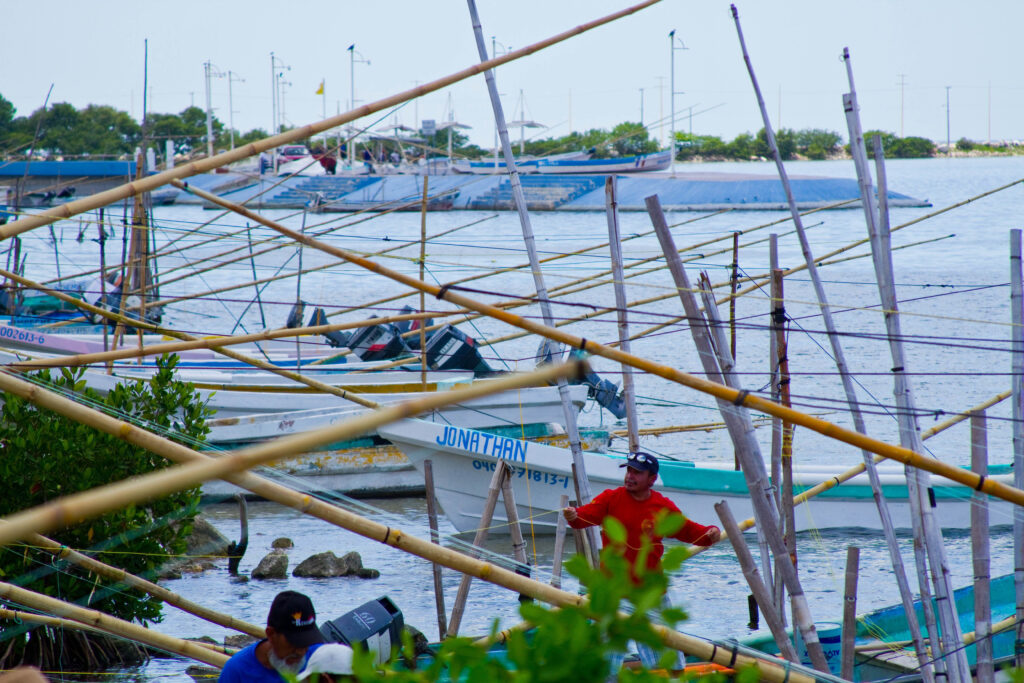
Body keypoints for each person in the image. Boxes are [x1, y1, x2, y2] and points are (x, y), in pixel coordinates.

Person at [563, 451, 720, 671]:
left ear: (652, 479)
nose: (630, 476)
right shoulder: (611, 498)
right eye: (629, 470)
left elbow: (688, 531)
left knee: (667, 666)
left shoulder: (661, 506)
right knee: (605, 668)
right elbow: (582, 518)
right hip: (613, 592)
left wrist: (710, 533)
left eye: (637, 473)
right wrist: (572, 515)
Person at [218, 590, 326, 682]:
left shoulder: (321, 659)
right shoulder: (237, 672)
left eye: (306, 643)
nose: (301, 652)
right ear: (270, 634)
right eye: (294, 643)